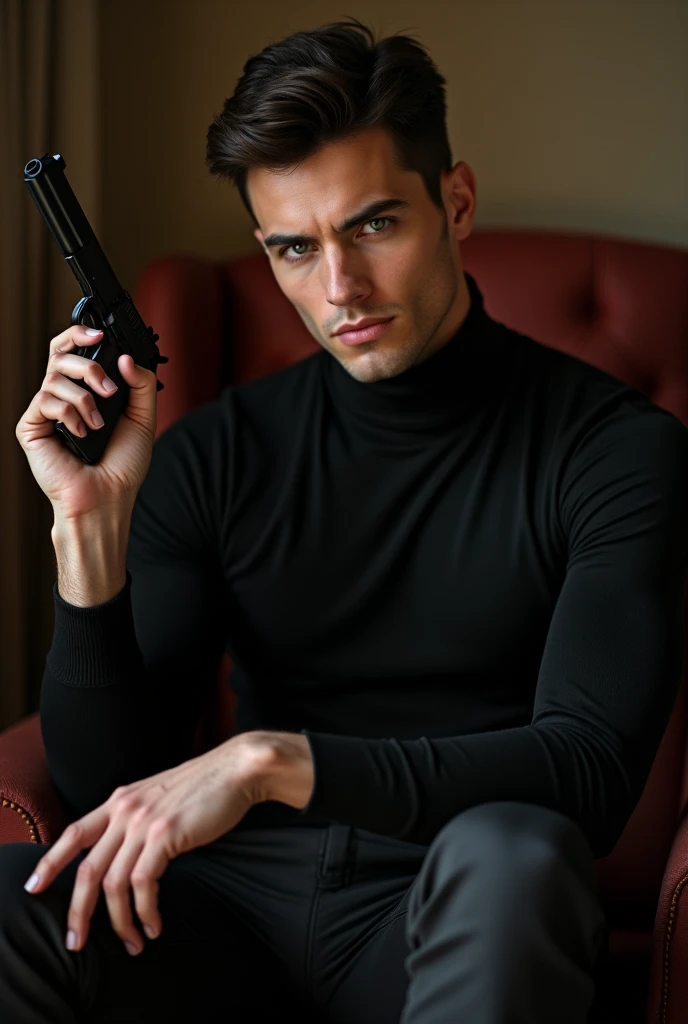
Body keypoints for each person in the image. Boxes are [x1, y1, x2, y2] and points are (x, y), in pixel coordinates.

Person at [4, 15, 688, 1024]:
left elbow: (583, 770)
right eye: (293, 247)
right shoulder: (215, 451)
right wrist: (88, 534)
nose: (338, 290)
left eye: (373, 225)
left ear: (454, 202)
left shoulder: (617, 450)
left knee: (514, 855)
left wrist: (270, 761)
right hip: (222, 916)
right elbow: (108, 781)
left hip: (461, 902)